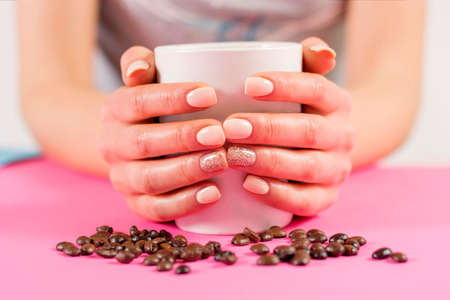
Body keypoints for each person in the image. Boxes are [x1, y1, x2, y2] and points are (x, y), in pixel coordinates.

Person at [17, 0, 424, 221]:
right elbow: (50, 89)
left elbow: (391, 87)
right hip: (115, 159)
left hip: (311, 176)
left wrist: (329, 136)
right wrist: (129, 143)